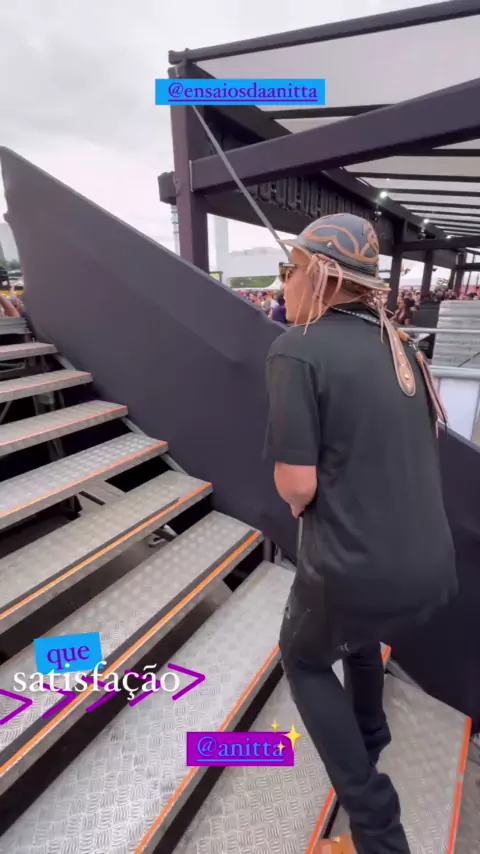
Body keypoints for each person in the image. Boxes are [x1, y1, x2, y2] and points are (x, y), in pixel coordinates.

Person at [264, 213, 457, 854]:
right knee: (358, 636)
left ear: (318, 275)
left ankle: (378, 832)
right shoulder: (400, 344)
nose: (283, 284)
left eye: (289, 270)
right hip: (429, 562)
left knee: (303, 659)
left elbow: (297, 485)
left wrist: (301, 502)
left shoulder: (297, 349)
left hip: (353, 566)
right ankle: (369, 740)